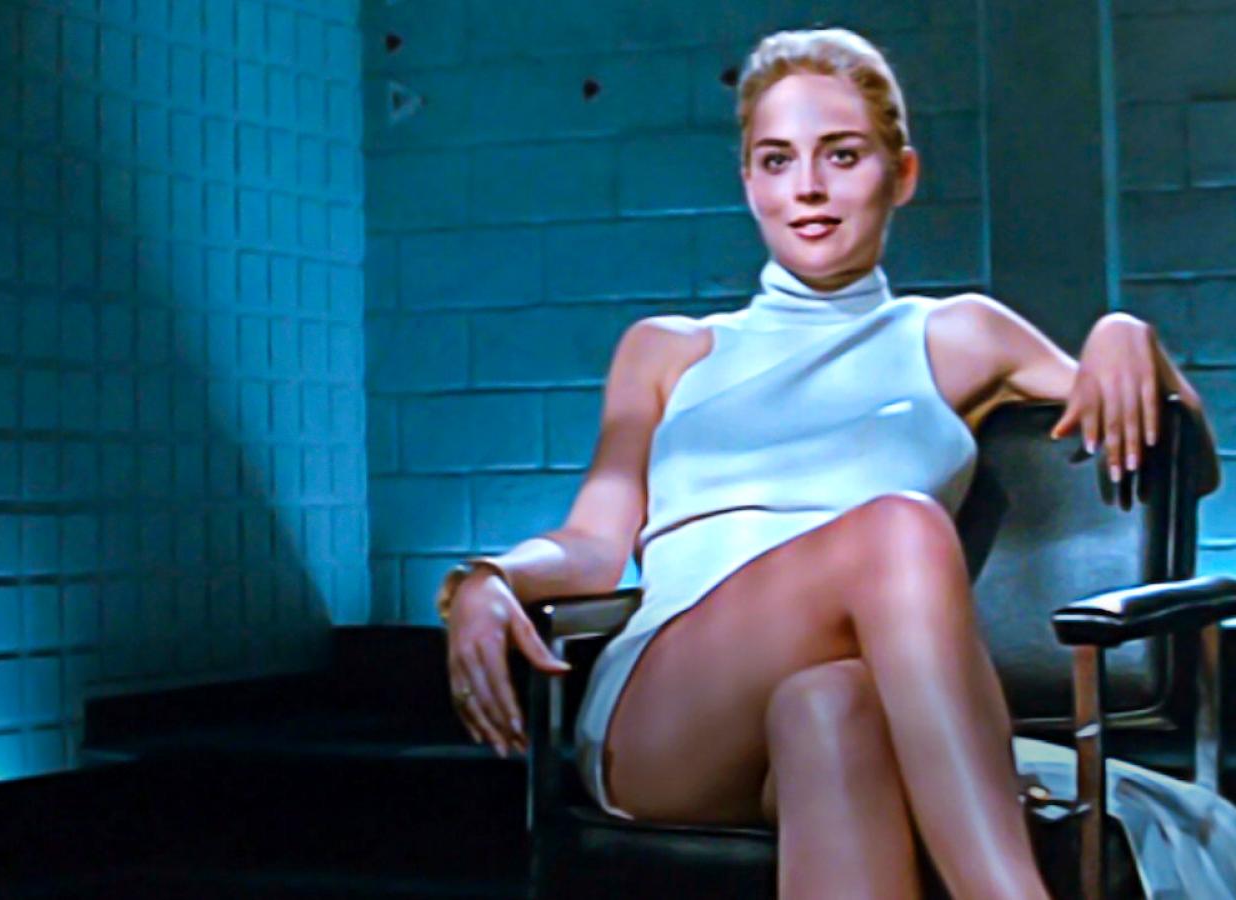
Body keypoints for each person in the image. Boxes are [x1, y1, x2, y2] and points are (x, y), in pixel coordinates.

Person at [436, 27, 1225, 899]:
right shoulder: (667, 349)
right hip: (671, 714)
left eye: (841, 155)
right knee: (898, 529)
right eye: (776, 161)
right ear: (749, 183)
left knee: (833, 706)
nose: (807, 187)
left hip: (853, 695)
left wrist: (1129, 337)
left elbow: (1183, 463)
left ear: (903, 174)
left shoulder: (960, 334)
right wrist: (490, 578)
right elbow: (592, 542)